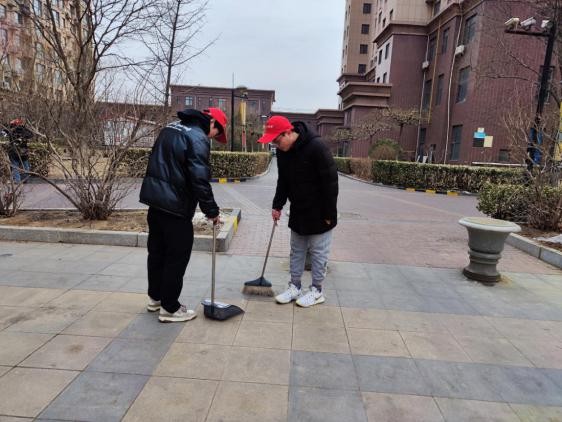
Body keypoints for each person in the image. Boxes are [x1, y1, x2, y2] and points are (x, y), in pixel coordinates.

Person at [139, 107, 227, 322]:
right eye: (216, 133)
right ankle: (170, 308)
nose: (212, 137)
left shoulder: (170, 128)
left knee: (157, 253)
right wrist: (212, 211)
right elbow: (199, 179)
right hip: (176, 208)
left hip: (155, 203)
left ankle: (156, 298)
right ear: (212, 122)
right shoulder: (197, 138)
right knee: (176, 258)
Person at [257, 115, 338, 307]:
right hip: (298, 210)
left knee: (318, 253)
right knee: (296, 251)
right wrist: (277, 205)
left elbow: (331, 183)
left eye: (277, 141)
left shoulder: (317, 147)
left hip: (320, 212)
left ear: (288, 133)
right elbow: (283, 181)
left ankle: (317, 291)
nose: (276, 146)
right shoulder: (283, 153)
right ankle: (295, 287)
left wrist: (329, 215)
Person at [7, 118, 33, 183]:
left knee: (15, 166)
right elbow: (31, 135)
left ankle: (17, 180)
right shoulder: (24, 131)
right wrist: (24, 128)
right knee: (25, 166)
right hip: (23, 151)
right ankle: (25, 179)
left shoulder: (11, 131)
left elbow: (6, 134)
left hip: (14, 151)